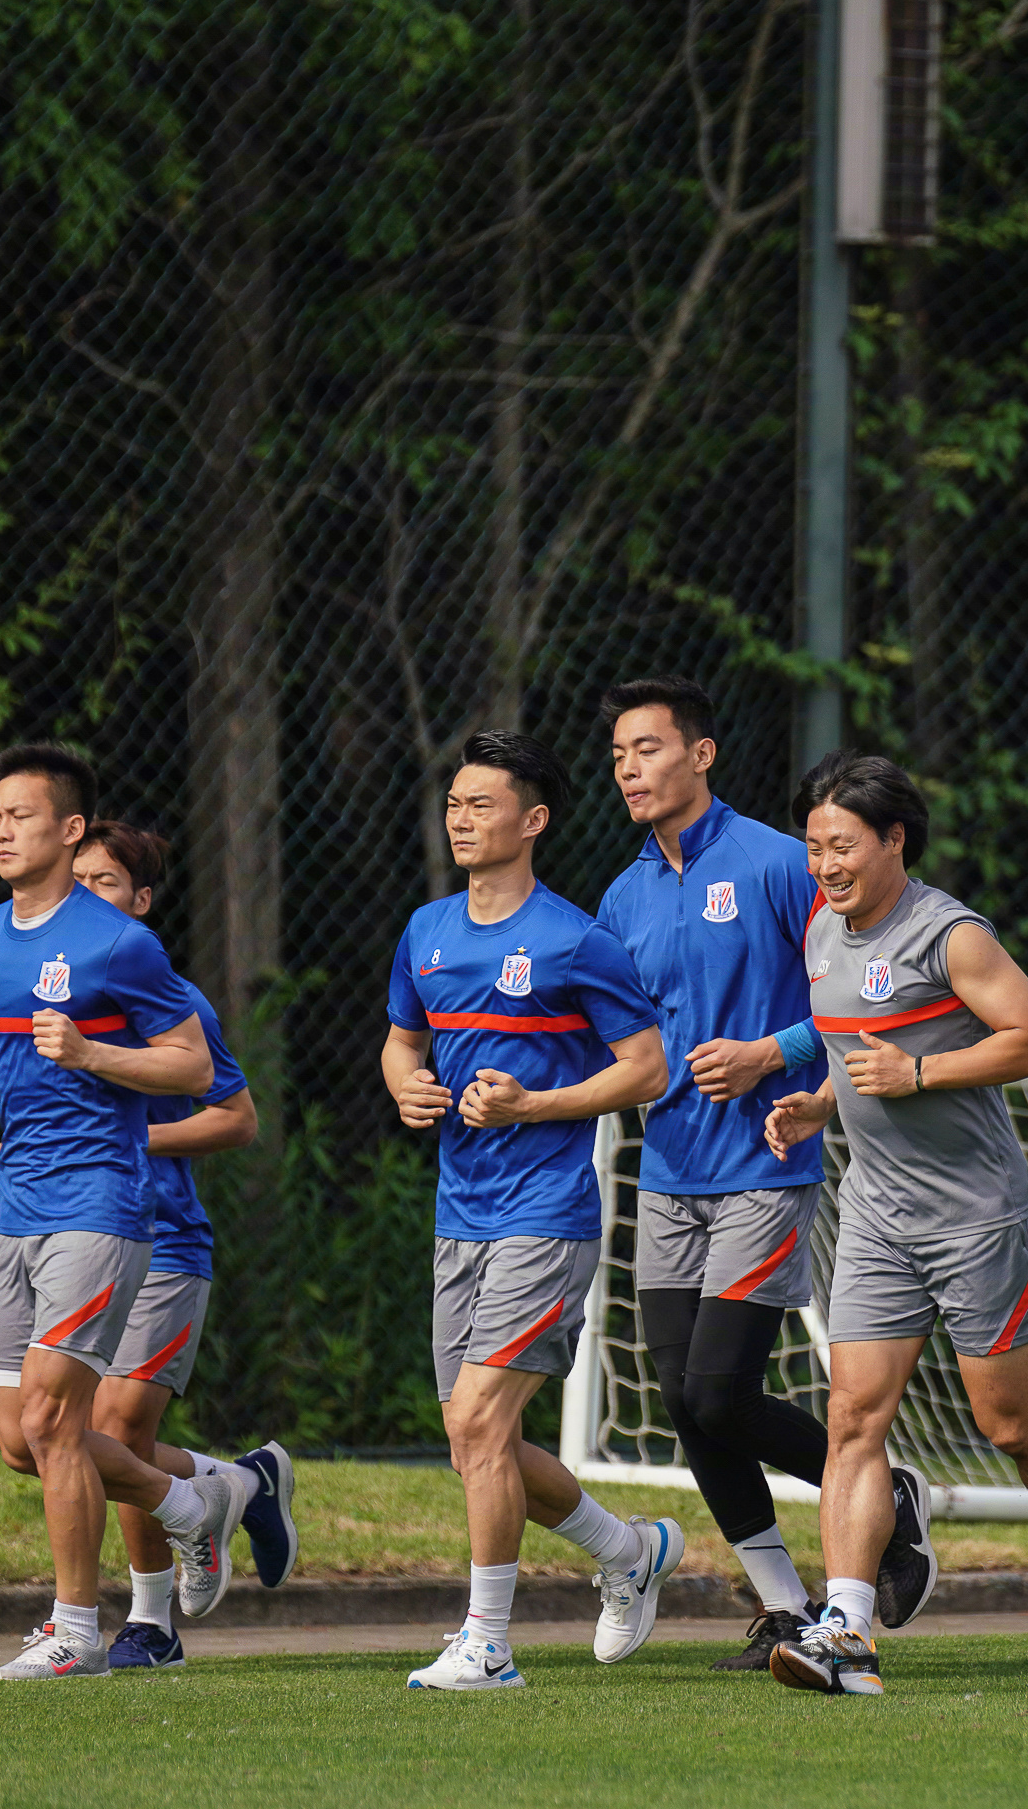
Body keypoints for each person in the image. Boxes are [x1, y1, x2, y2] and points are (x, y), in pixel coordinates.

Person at [762, 752, 1028, 1695]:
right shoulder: (822, 931)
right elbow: (857, 1054)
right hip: (879, 1217)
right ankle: (846, 1625)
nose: (825, 864)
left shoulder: (950, 934)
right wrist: (819, 1103)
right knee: (853, 1415)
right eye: (814, 847)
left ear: (893, 839)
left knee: (1009, 1422)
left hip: (974, 1218)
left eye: (841, 845)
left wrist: (919, 1074)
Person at [0, 743, 249, 1681]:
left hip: (103, 1204)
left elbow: (193, 1070)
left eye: (21, 816)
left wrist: (94, 1055)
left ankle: (73, 1627)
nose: (2, 831)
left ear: (67, 829)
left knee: (62, 1418)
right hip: (17, 1210)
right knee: (22, 1440)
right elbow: (5, 1039)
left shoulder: (118, 944)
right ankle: (194, 1505)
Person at [591, 676, 909, 1672]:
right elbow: (613, 1033)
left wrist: (770, 1056)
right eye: (618, 756)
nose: (631, 769)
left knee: (722, 1395)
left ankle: (889, 1494)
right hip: (667, 1172)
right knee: (684, 1398)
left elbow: (854, 1001)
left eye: (648, 748)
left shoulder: (779, 865)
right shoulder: (621, 894)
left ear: (701, 754)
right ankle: (781, 1604)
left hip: (766, 1165)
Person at [382, 729, 686, 1691]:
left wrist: (533, 1105)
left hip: (545, 1213)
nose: (461, 818)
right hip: (457, 1214)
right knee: (483, 1439)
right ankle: (628, 1550)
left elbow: (647, 1065)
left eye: (482, 803)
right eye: (454, 804)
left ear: (534, 820)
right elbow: (399, 1045)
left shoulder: (574, 938)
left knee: (479, 1420)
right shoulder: (425, 930)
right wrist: (409, 1087)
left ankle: (490, 1642)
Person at [0, 820, 301, 1670]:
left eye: (105, 882)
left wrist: (129, 1141)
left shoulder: (166, 992)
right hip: (65, 1221)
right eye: (80, 879)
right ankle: (235, 1486)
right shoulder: (36, 975)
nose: (86, 896)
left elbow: (237, 1115)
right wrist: (10, 1151)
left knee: (101, 1424)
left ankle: (149, 1622)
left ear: (141, 903)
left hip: (162, 1240)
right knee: (40, 1438)